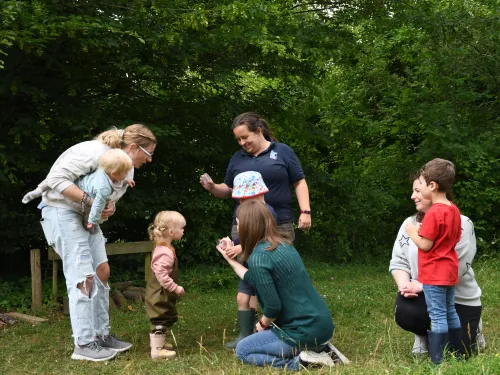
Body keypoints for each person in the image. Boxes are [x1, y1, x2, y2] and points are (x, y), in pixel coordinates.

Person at [35, 125, 157, 361]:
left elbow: (105, 204)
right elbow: (55, 180)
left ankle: (101, 336)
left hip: (85, 217)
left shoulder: (128, 171)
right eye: (148, 153)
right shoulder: (92, 151)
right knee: (83, 276)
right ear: (133, 147)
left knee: (102, 271)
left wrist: (107, 210)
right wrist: (91, 201)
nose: (149, 160)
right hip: (61, 212)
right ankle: (84, 343)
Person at [217, 200, 335, 370]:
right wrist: (230, 260)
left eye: (238, 222)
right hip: (322, 326)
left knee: (243, 350)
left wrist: (261, 325)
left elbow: (273, 308)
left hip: (304, 331)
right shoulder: (283, 244)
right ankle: (321, 350)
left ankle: (301, 362)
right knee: (263, 337)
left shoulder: (259, 256)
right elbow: (253, 278)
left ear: (247, 226)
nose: (237, 226)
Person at [390, 174, 484, 358]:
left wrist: (420, 284)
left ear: (432, 188)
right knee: (407, 312)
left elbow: (459, 267)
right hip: (425, 292)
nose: (412, 196)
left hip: (459, 297)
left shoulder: (461, 221)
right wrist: (404, 286)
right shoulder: (409, 223)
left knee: (463, 349)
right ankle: (424, 336)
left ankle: (474, 328)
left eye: (417, 190)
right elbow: (399, 261)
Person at [200, 112, 312, 243]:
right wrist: (213, 187)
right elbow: (229, 190)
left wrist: (305, 212)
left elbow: (299, 183)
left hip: (279, 224)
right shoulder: (237, 158)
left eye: (245, 137)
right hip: (244, 225)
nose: (242, 142)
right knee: (244, 263)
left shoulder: (283, 151)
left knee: (280, 262)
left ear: (258, 131)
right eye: (238, 139)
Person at [404, 159, 463, 364]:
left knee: (437, 315)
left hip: (433, 272)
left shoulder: (433, 212)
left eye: (424, 184)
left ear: (432, 186)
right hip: (449, 270)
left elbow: (426, 245)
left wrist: (412, 232)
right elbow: (450, 237)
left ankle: (438, 360)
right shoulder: (453, 209)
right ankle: (457, 353)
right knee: (450, 311)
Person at [221, 171, 278, 350]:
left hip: (264, 266)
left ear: (259, 194)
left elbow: (264, 239)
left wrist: (240, 248)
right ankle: (245, 336)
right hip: (248, 265)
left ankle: (264, 330)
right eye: (240, 200)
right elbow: (244, 236)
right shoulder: (242, 211)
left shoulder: (268, 212)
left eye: (244, 199)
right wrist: (231, 243)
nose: (242, 203)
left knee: (268, 299)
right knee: (242, 298)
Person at [23, 148, 133, 231]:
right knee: (89, 209)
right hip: (84, 193)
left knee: (52, 179)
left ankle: (38, 190)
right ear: (115, 173)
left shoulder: (105, 169)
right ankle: (87, 224)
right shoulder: (104, 189)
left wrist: (126, 179)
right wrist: (92, 221)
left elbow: (118, 176)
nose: (128, 173)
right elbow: (97, 207)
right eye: (125, 172)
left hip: (80, 180)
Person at [146, 211, 186, 359]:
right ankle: (157, 350)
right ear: (171, 231)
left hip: (163, 291)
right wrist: (175, 287)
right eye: (181, 228)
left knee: (165, 315)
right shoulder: (164, 252)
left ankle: (160, 344)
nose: (183, 231)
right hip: (159, 293)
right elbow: (161, 274)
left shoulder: (165, 247)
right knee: (159, 318)